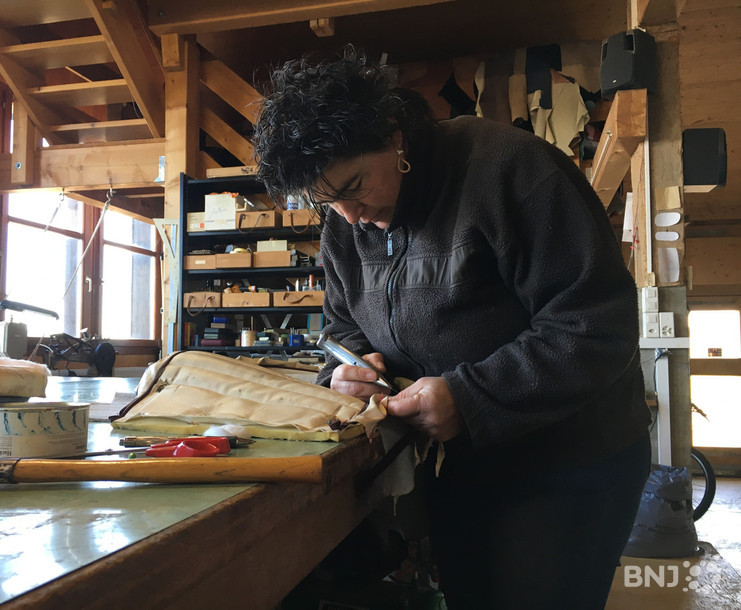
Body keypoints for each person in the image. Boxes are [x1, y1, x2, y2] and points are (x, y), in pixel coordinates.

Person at [253, 46, 651, 609]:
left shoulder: (510, 169)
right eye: (325, 202)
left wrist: (471, 396)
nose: (349, 217)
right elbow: (341, 330)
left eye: (354, 187)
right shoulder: (345, 226)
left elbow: (595, 324)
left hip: (567, 463)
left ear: (393, 135)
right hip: (458, 463)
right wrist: (346, 372)